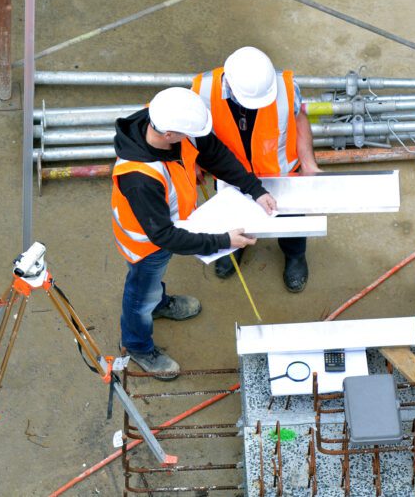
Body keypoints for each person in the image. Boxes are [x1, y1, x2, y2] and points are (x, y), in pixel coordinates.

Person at [112, 87, 277, 380]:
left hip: (170, 227)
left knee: (151, 286)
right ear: (169, 135)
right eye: (188, 136)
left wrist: (253, 188)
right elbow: (164, 236)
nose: (194, 140)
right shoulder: (139, 177)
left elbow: (213, 153)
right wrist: (223, 241)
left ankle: (159, 304)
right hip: (145, 245)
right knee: (140, 295)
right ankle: (137, 346)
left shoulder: (168, 115)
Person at [192, 46, 320, 293]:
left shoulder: (284, 86)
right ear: (229, 83)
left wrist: (308, 163)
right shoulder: (202, 91)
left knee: (291, 222)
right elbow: (192, 130)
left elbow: (299, 118)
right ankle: (234, 249)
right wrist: (194, 161)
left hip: (281, 172)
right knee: (233, 218)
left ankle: (295, 256)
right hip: (232, 176)